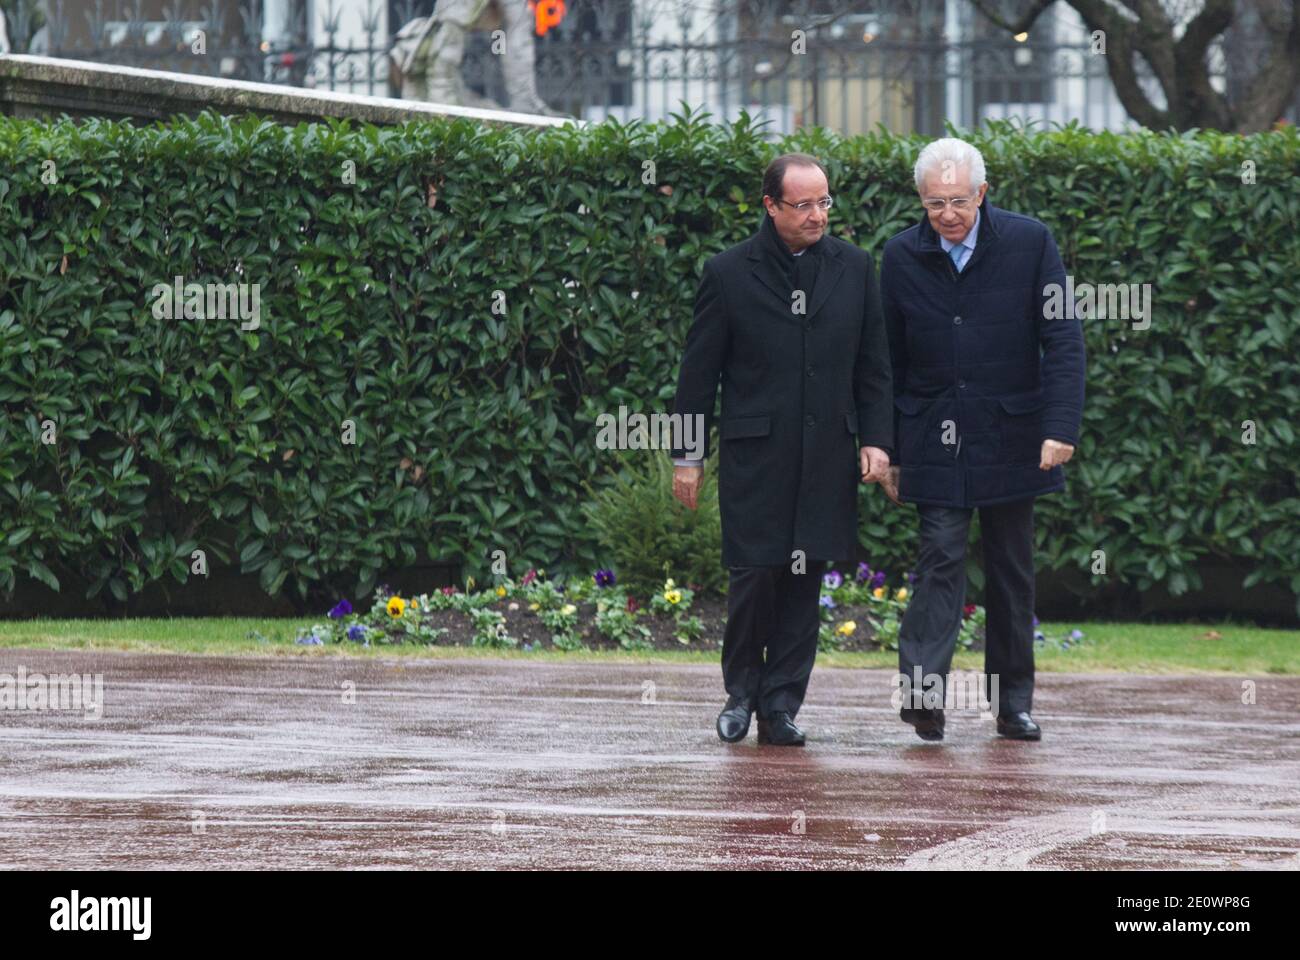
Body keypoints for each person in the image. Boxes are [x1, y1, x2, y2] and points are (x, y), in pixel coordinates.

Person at [670, 153, 893, 746]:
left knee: (803, 580)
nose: (818, 214)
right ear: (770, 206)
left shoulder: (855, 266)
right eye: (804, 205)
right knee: (755, 577)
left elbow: (874, 367)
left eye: (824, 202)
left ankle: (782, 706)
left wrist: (877, 440)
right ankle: (740, 693)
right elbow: (698, 375)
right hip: (756, 459)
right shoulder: (728, 273)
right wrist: (687, 457)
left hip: (827, 458)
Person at [880, 137, 1086, 742]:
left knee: (1011, 570)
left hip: (1013, 432)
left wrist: (1060, 426)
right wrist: (885, 447)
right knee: (940, 558)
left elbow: (1063, 339)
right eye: (935, 203)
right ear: (921, 200)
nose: (947, 214)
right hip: (931, 434)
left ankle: (1012, 703)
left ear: (983, 193)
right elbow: (886, 360)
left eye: (959, 201)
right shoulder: (899, 256)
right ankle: (923, 697)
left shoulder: (1030, 241)